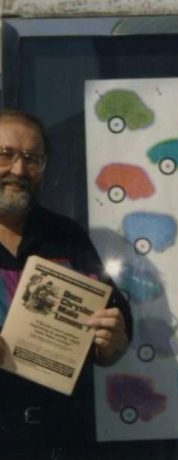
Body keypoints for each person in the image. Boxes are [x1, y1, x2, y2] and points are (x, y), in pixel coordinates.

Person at [0, 109, 132, 458]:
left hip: (60, 439)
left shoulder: (65, 235)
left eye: (32, 159)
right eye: (6, 154)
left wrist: (114, 340)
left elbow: (115, 317)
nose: (18, 170)